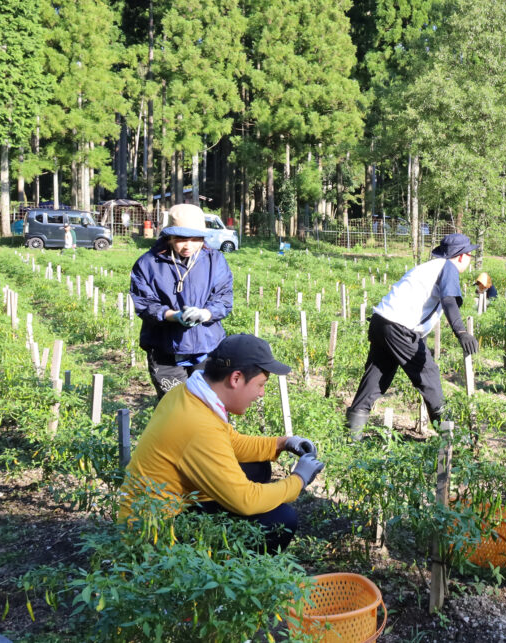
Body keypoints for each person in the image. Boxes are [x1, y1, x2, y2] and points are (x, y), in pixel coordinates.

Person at [120, 334, 323, 553]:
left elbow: (231, 442)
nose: (261, 394)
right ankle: (231, 576)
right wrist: (298, 480)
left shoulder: (189, 393)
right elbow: (245, 500)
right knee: (280, 520)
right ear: (235, 378)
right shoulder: (198, 424)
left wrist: (283, 443)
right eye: (261, 385)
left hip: (153, 511)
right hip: (151, 535)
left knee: (257, 467)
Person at [345, 233, 480, 438]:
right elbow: (449, 301)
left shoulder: (428, 267)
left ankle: (351, 436)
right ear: (461, 256)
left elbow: (417, 307)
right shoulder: (448, 267)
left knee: (377, 376)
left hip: (381, 321)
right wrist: (461, 332)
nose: (469, 260)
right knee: (429, 374)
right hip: (399, 327)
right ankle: (449, 436)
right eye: (470, 255)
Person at [130, 204, 234, 399]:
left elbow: (224, 298)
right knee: (174, 407)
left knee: (208, 407)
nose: (188, 245)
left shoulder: (215, 260)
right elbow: (144, 303)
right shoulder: (148, 263)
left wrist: (205, 313)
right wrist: (174, 316)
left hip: (207, 346)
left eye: (195, 239)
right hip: (165, 349)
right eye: (181, 239)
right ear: (168, 236)